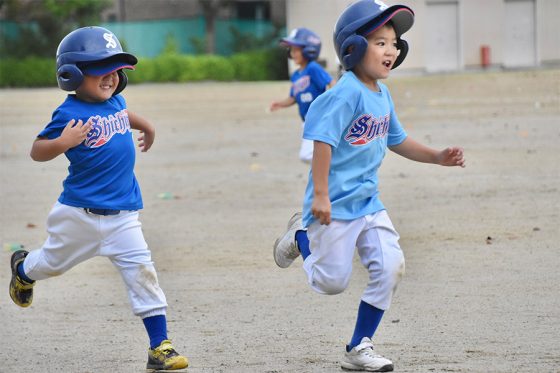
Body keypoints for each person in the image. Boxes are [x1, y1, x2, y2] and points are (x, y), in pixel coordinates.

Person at [273, 1, 466, 371]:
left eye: (394, 42)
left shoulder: (380, 93)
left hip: (369, 204)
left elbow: (397, 139)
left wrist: (437, 156)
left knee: (391, 267)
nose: (391, 49)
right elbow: (322, 143)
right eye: (379, 41)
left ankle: (359, 346)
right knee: (331, 283)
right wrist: (322, 195)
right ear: (353, 48)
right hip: (335, 206)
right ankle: (299, 235)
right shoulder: (346, 93)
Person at [8, 26, 188, 372]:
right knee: (51, 264)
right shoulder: (68, 114)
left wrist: (146, 126)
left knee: (143, 273)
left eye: (115, 69)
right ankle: (24, 269)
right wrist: (64, 142)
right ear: (73, 74)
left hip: (123, 218)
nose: (110, 76)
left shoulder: (116, 100)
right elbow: (37, 150)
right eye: (99, 68)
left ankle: (159, 346)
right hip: (78, 216)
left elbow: (123, 114)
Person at [269, 27, 334, 163]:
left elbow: (331, 82)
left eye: (295, 49)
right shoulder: (295, 75)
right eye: (291, 50)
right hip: (307, 122)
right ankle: (328, 172)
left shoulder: (313, 68)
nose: (292, 54)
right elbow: (293, 98)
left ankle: (332, 168)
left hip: (319, 118)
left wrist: (336, 100)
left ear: (308, 50)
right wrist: (280, 104)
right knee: (311, 155)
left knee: (307, 155)